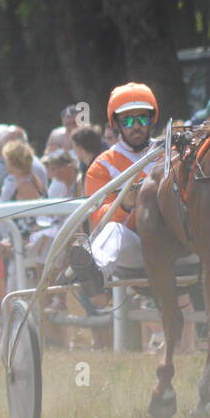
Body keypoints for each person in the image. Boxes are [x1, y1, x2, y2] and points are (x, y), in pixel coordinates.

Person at [65, 82, 161, 295]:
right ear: (116, 123)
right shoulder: (101, 166)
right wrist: (124, 205)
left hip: (177, 241)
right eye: (128, 120)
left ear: (152, 120)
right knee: (113, 231)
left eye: (142, 118)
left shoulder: (170, 152)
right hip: (137, 247)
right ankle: (93, 275)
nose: (136, 125)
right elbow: (98, 222)